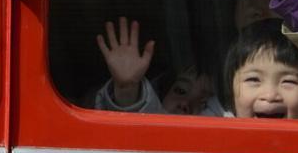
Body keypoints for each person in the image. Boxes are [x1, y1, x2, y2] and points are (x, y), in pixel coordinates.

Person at [93, 17, 223, 116]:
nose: (185, 104)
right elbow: (142, 123)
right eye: (180, 91)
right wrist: (128, 89)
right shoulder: (154, 121)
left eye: (205, 103)